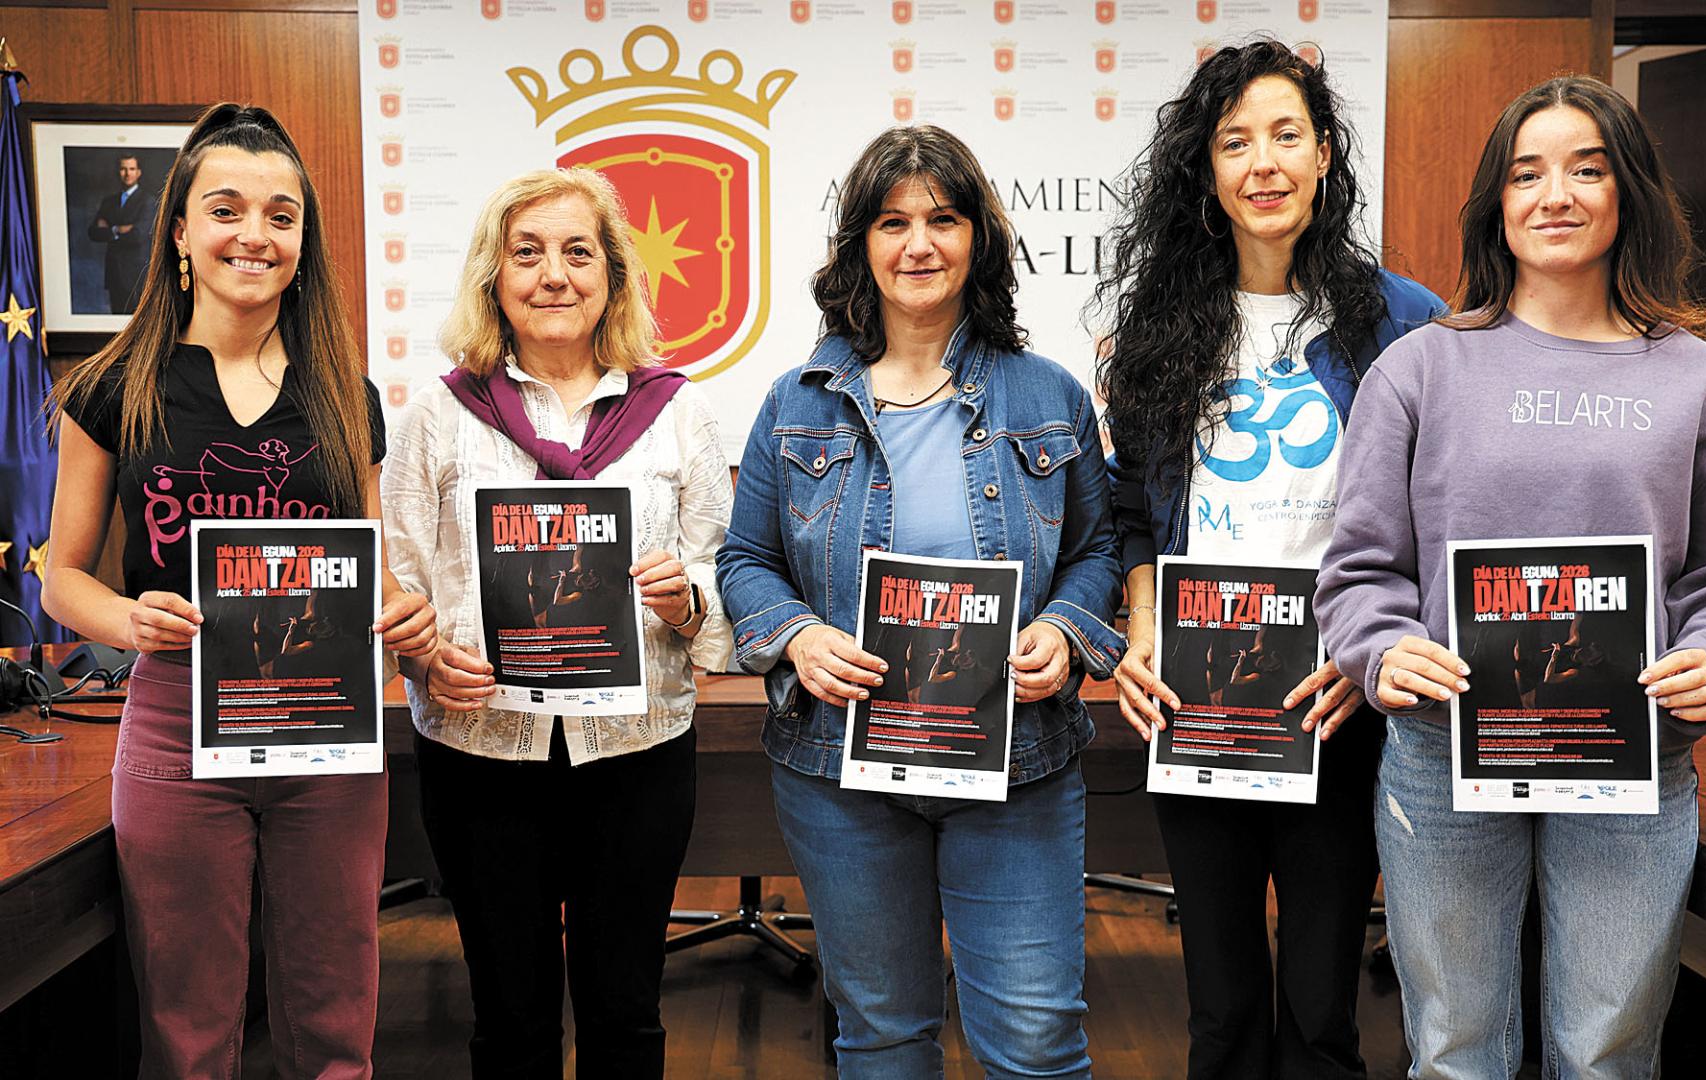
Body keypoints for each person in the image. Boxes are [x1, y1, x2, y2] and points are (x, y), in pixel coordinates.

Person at [1314, 75, 1706, 1077]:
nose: (1555, 194)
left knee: (1609, 1050)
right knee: (1451, 1047)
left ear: (1628, 194)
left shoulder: (1700, 378)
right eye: (1527, 173)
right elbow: (1358, 566)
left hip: (1632, 760)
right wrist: (1380, 647)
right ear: (1497, 200)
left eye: (1587, 168)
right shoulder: (1419, 369)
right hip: (1441, 757)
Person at [715, 124, 1124, 1078]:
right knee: (882, 1035)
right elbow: (745, 560)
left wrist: (1065, 629)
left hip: (1015, 768)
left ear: (978, 236)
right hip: (839, 774)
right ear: (860, 242)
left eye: (943, 219)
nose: (918, 244)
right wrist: (800, 636)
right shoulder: (797, 401)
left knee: (1034, 1040)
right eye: (892, 222)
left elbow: (1095, 549)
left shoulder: (1049, 393)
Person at [43, 103, 436, 1079]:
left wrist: (405, 613)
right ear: (178, 228)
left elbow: (373, 566)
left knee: (335, 1012)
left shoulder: (347, 391)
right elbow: (60, 577)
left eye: (281, 216)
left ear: (302, 242)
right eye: (227, 209)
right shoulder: (113, 386)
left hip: (327, 719)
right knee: (187, 1020)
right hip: (178, 723)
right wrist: (128, 619)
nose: (254, 235)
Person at [1094, 39, 1443, 1080]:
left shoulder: (1404, 325)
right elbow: (1133, 514)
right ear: (1205, 171)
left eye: (1286, 134)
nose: (1263, 162)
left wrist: (1375, 647)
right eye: (1234, 141)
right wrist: (1142, 632)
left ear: (1325, 153)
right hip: (1198, 696)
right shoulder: (1158, 332)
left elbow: (1439, 518)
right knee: (1221, 1009)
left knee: (1322, 1010)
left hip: (1337, 696)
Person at [380, 166, 733, 1078]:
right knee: (509, 1018)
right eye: (526, 253)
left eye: (578, 252)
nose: (553, 274)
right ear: (492, 276)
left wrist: (683, 596)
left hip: (637, 754)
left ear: (613, 276)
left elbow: (724, 580)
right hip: (482, 753)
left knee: (627, 1015)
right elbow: (402, 589)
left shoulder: (678, 414)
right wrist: (422, 660)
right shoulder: (436, 420)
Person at [87, 153, 156, 313]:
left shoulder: (147, 201)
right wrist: (118, 229)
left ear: (138, 172)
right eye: (123, 169)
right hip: (114, 273)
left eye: (131, 169)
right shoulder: (109, 202)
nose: (127, 173)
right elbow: (93, 232)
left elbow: (138, 236)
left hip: (137, 275)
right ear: (118, 172)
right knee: (117, 324)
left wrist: (109, 229)